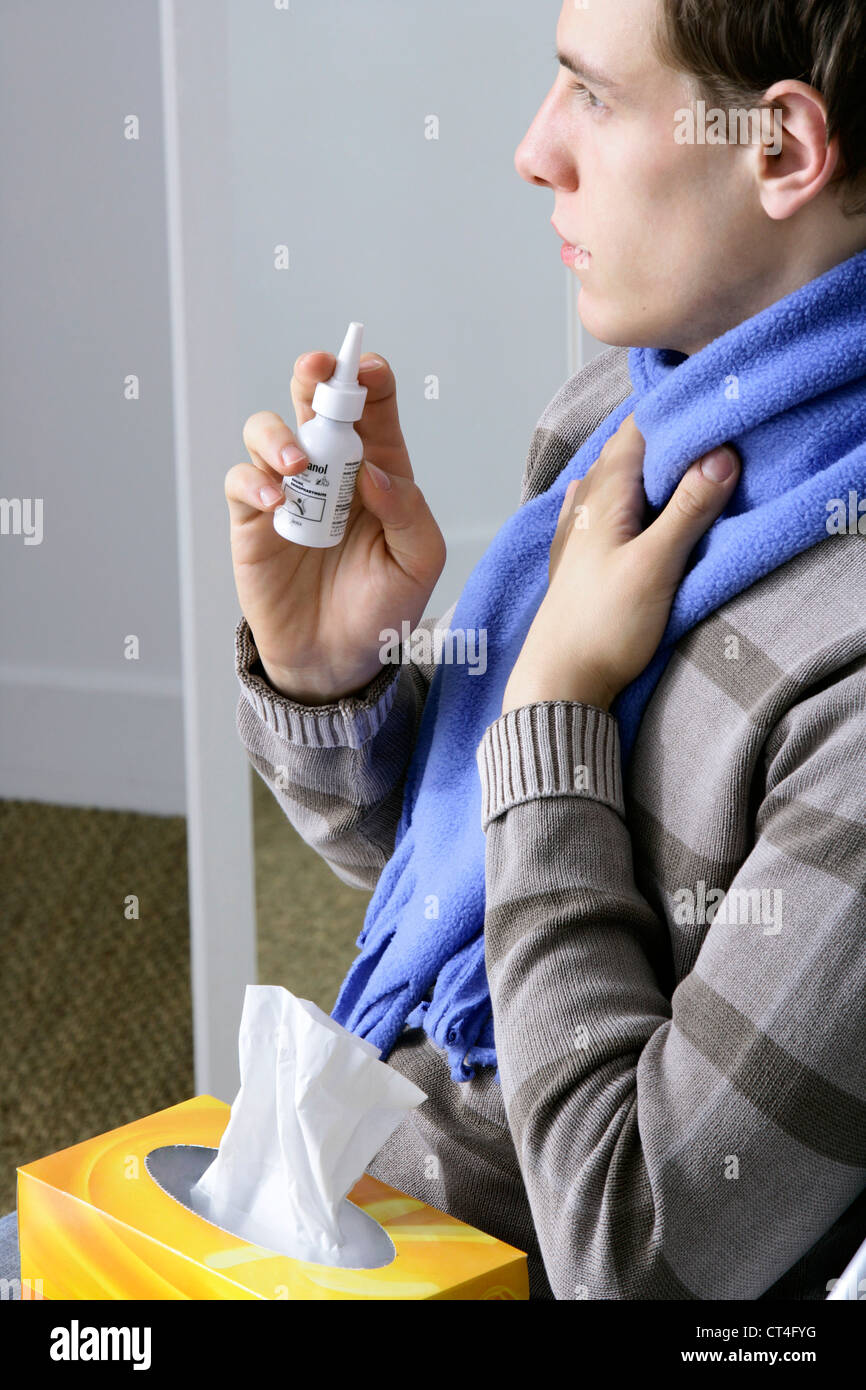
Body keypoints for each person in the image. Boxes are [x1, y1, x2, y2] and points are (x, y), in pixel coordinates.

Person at [225, 0, 866, 1300]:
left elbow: (641, 1252)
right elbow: (481, 905)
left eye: (592, 94)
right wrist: (330, 677)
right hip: (354, 1186)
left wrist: (553, 701)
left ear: (784, 148)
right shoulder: (626, 417)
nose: (531, 150)